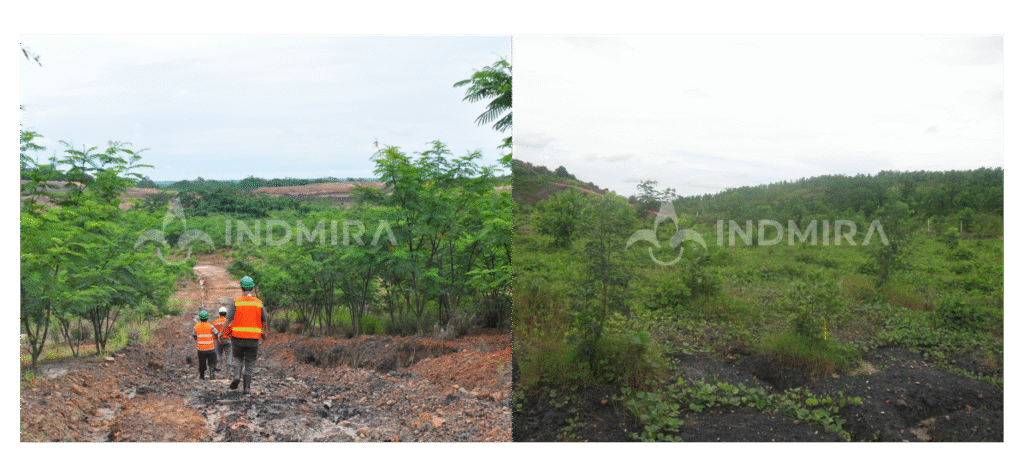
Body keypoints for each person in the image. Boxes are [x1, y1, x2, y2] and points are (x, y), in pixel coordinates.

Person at [225, 276, 268, 395]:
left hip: (237, 337)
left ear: (241, 288)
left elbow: (228, 320)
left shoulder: (236, 302)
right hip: (253, 339)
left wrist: (221, 333)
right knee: (250, 361)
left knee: (238, 357)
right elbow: (264, 320)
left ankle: (236, 376)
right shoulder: (259, 303)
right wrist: (264, 332)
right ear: (253, 288)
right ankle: (247, 388)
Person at [192, 311, 219, 380]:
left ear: (199, 318)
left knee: (202, 363)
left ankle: (202, 376)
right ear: (207, 318)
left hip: (201, 349)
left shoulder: (196, 326)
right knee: (212, 362)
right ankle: (212, 374)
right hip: (210, 348)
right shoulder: (210, 326)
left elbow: (194, 337)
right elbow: (216, 334)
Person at [211, 305, 231, 375]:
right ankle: (228, 369)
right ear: (226, 314)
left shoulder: (215, 322)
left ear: (219, 313)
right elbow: (232, 331)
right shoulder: (229, 322)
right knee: (228, 354)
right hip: (228, 340)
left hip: (219, 340)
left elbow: (213, 332)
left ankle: (219, 366)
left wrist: (215, 339)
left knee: (219, 353)